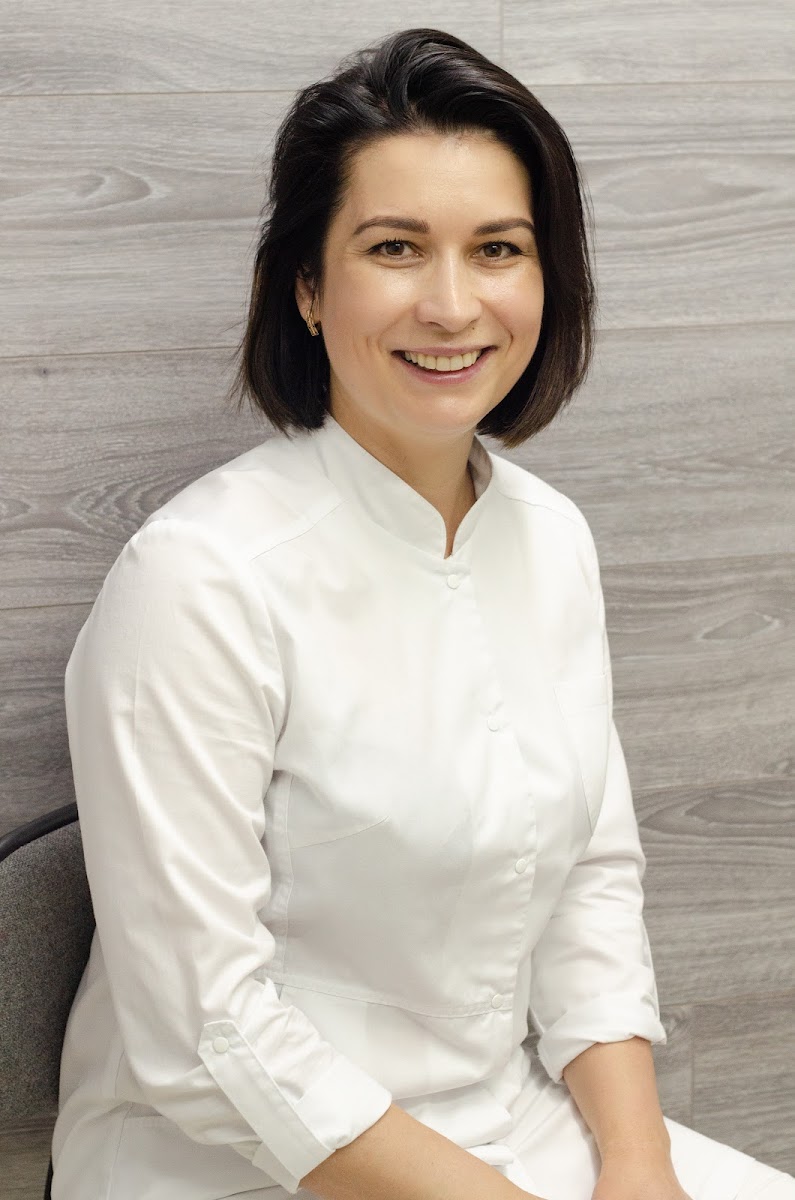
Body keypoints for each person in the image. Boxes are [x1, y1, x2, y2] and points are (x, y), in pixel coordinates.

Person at [50, 25, 794, 1200]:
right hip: (238, 1159)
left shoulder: (554, 539)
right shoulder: (198, 578)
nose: (452, 305)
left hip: (508, 1120)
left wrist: (640, 1164)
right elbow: (208, 1030)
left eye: (498, 249)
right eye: (395, 248)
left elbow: (589, 888)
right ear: (307, 287)